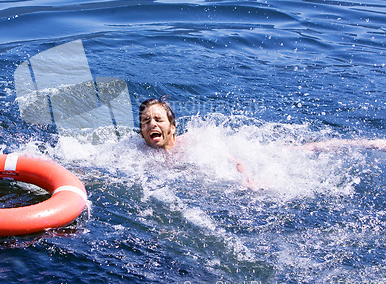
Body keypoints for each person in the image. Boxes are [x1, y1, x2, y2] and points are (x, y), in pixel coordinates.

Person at [138, 96, 386, 189]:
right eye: (145, 121)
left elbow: (235, 161)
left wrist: (246, 178)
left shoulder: (195, 141)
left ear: (172, 127)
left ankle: (367, 143)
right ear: (141, 132)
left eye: (158, 119)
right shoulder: (137, 153)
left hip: (248, 151)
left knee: (301, 150)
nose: (151, 124)